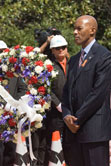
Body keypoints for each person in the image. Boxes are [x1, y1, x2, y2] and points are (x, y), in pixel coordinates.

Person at [62, 15, 111, 166]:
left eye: (79, 28)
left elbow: (98, 93)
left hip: (94, 131)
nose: (74, 32)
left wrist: (77, 119)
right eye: (74, 28)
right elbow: (67, 92)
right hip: (72, 132)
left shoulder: (104, 57)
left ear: (92, 30)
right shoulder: (73, 60)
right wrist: (66, 115)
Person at [0, 40, 27, 166]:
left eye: (2, 51)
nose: (0, 54)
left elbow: (23, 89)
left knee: (11, 153)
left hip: (12, 117)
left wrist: (14, 104)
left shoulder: (15, 72)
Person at [42, 35, 69, 166]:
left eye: (63, 47)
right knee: (53, 142)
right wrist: (57, 103)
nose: (60, 50)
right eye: (57, 48)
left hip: (71, 110)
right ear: (52, 50)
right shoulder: (48, 66)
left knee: (70, 143)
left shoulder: (74, 64)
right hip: (54, 112)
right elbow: (45, 88)